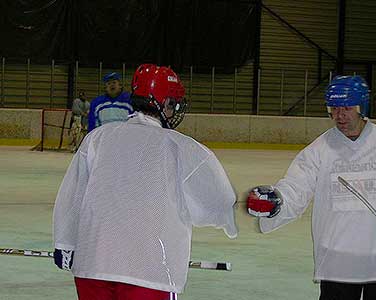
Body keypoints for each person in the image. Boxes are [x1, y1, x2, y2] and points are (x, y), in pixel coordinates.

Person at [53, 64, 238, 300]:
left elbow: (73, 195)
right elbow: (220, 202)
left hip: (93, 266)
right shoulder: (183, 147)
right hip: (149, 273)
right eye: (173, 103)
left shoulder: (98, 139)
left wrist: (65, 241)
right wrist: (225, 222)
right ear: (165, 104)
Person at [246, 75, 376, 300]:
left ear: (362, 107)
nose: (339, 115)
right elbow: (295, 187)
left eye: (346, 107)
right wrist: (276, 201)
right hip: (338, 261)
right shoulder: (319, 150)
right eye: (334, 108)